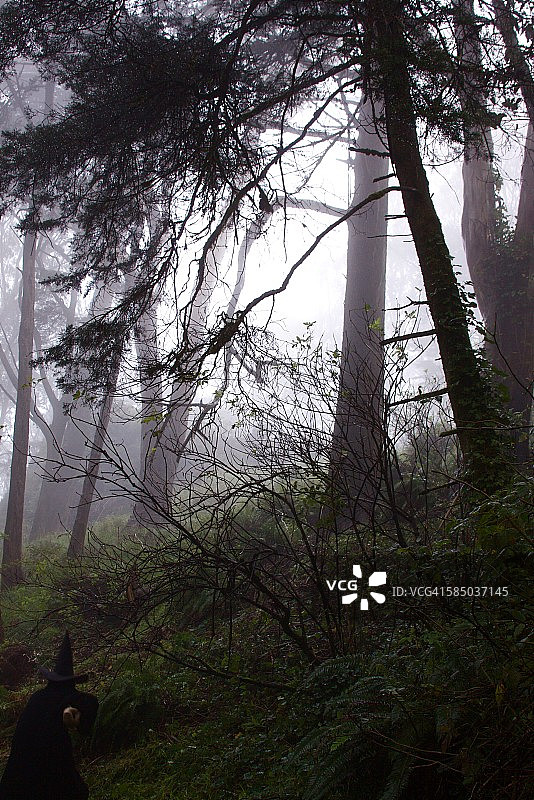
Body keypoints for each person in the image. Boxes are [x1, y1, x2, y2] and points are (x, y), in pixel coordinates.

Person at [0, 631, 98, 800]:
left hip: (15, 782)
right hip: (47, 779)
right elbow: (90, 702)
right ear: (71, 682)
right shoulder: (66, 697)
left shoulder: (37, 698)